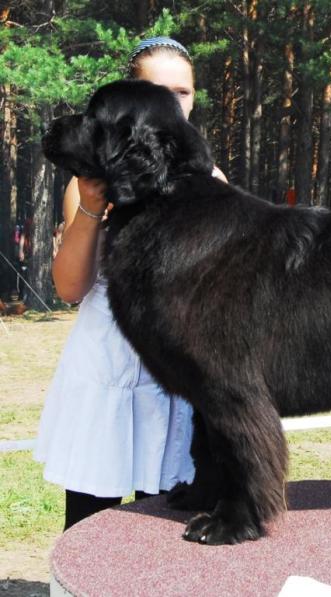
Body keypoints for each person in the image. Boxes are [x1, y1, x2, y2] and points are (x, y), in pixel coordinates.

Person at [34, 37, 226, 530]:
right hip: (108, 378)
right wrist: (95, 203)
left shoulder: (212, 180)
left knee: (163, 531)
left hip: (179, 383)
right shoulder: (89, 180)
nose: (174, 102)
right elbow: (70, 288)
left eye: (183, 92)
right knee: (89, 525)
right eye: (159, 90)